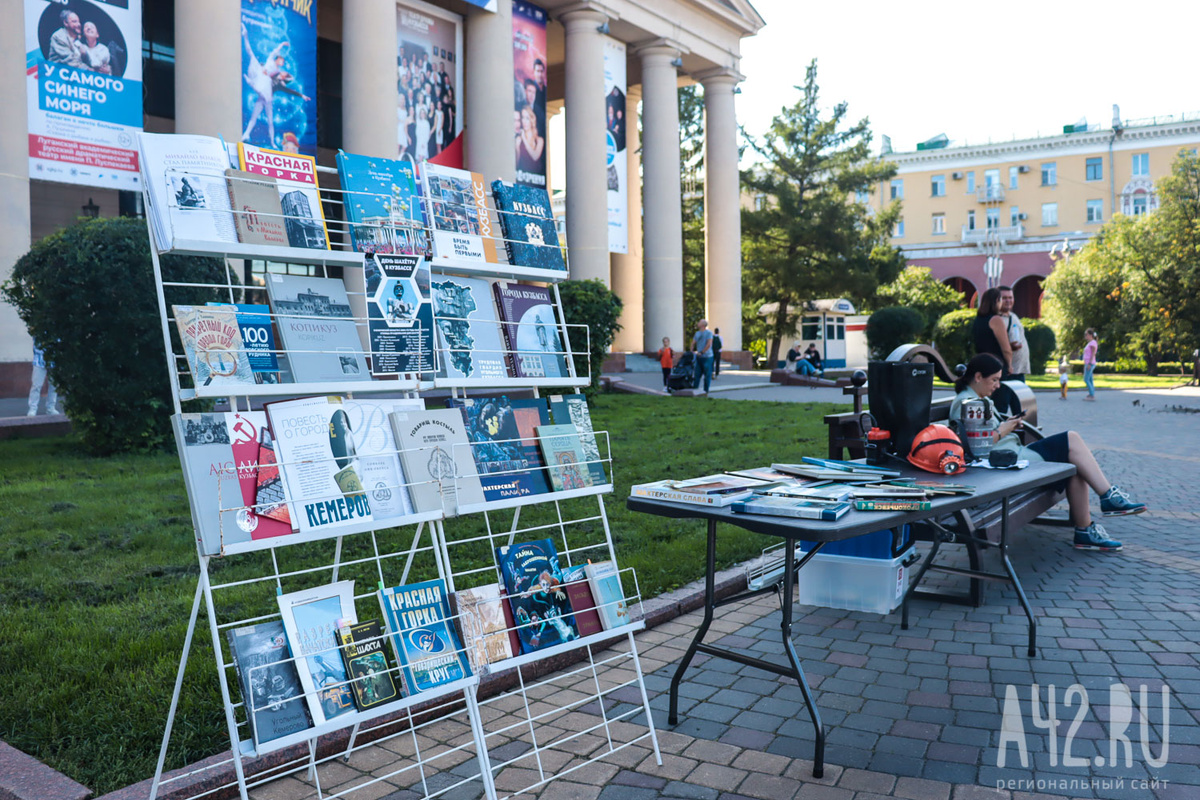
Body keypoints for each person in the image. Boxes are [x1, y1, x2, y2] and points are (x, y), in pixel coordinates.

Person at [950, 353, 1145, 551]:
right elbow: (978, 446)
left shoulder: (976, 399)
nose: (998, 385)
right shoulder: (967, 402)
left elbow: (983, 436)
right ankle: (1107, 499)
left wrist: (1007, 425)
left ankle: (1086, 530)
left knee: (1075, 463)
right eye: (994, 380)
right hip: (1006, 462)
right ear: (978, 377)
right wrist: (1004, 429)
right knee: (1072, 440)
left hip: (1013, 455)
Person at [972, 287, 1013, 375]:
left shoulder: (978, 320)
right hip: (996, 364)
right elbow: (1006, 348)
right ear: (997, 301)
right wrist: (1009, 365)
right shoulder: (996, 320)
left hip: (982, 362)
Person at [998, 285, 1029, 381]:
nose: (1008, 301)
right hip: (1008, 372)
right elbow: (995, 345)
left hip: (1019, 371)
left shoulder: (1013, 316)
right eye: (1004, 298)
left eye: (1010, 297)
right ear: (997, 300)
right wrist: (1010, 347)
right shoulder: (996, 319)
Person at [28, 344, 60, 417]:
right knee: (36, 385)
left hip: (54, 359)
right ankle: (32, 408)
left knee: (54, 385)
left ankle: (51, 408)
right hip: (39, 360)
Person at [515, 105, 545, 176]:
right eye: (523, 118)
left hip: (537, 180)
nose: (524, 121)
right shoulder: (518, 140)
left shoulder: (539, 140)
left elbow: (535, 156)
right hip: (522, 177)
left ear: (531, 120)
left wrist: (524, 139)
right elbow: (517, 163)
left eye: (527, 118)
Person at [692, 319, 715, 393]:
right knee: (697, 374)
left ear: (702, 325)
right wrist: (692, 351)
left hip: (708, 357)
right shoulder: (697, 333)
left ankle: (706, 391)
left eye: (699, 322)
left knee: (707, 375)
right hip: (699, 357)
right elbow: (693, 342)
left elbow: (709, 344)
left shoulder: (709, 333)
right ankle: (695, 390)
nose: (697, 323)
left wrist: (702, 352)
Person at [1082, 328, 1098, 401]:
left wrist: (1090, 364)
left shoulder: (1093, 343)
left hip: (1090, 363)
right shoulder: (1090, 343)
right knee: (1090, 380)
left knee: (1086, 379)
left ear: (1090, 335)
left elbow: (1093, 354)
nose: (1085, 336)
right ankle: (1091, 394)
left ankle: (1092, 395)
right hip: (1088, 363)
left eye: (1086, 334)